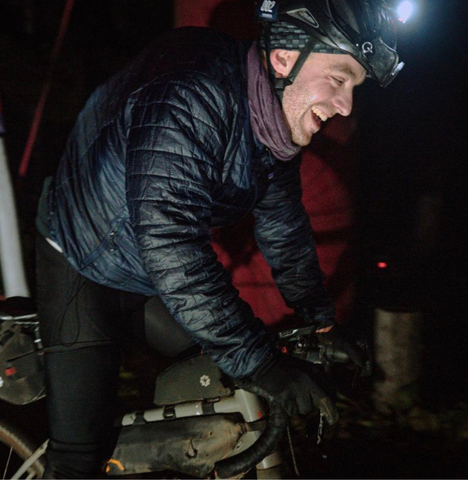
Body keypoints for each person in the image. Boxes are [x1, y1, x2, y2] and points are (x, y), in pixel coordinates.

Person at [35, 0, 403, 477]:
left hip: (149, 271)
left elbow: (283, 226)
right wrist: (262, 363)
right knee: (80, 457)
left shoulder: (273, 125)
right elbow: (174, 246)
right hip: (84, 262)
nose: (346, 104)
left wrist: (319, 323)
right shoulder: (191, 97)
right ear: (284, 58)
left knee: (226, 389)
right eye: (338, 78)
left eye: (354, 86)